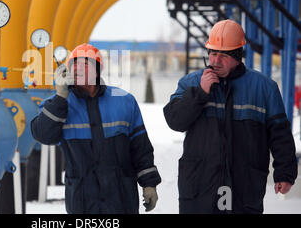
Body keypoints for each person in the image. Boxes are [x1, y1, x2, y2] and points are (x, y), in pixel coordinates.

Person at [163, 19, 298, 214]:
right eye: (213, 53)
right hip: (200, 187)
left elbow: (280, 134)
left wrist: (285, 173)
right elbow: (175, 121)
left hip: (243, 189)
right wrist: (200, 93)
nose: (216, 61)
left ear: (237, 56)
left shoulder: (264, 88)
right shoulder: (191, 83)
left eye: (223, 55)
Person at [31, 43, 161, 214]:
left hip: (121, 199)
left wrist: (149, 183)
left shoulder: (124, 101)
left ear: (98, 70)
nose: (78, 68)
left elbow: (140, 148)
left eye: (85, 63)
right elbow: (43, 135)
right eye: (74, 64)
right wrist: (60, 97)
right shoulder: (58, 104)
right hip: (82, 200)